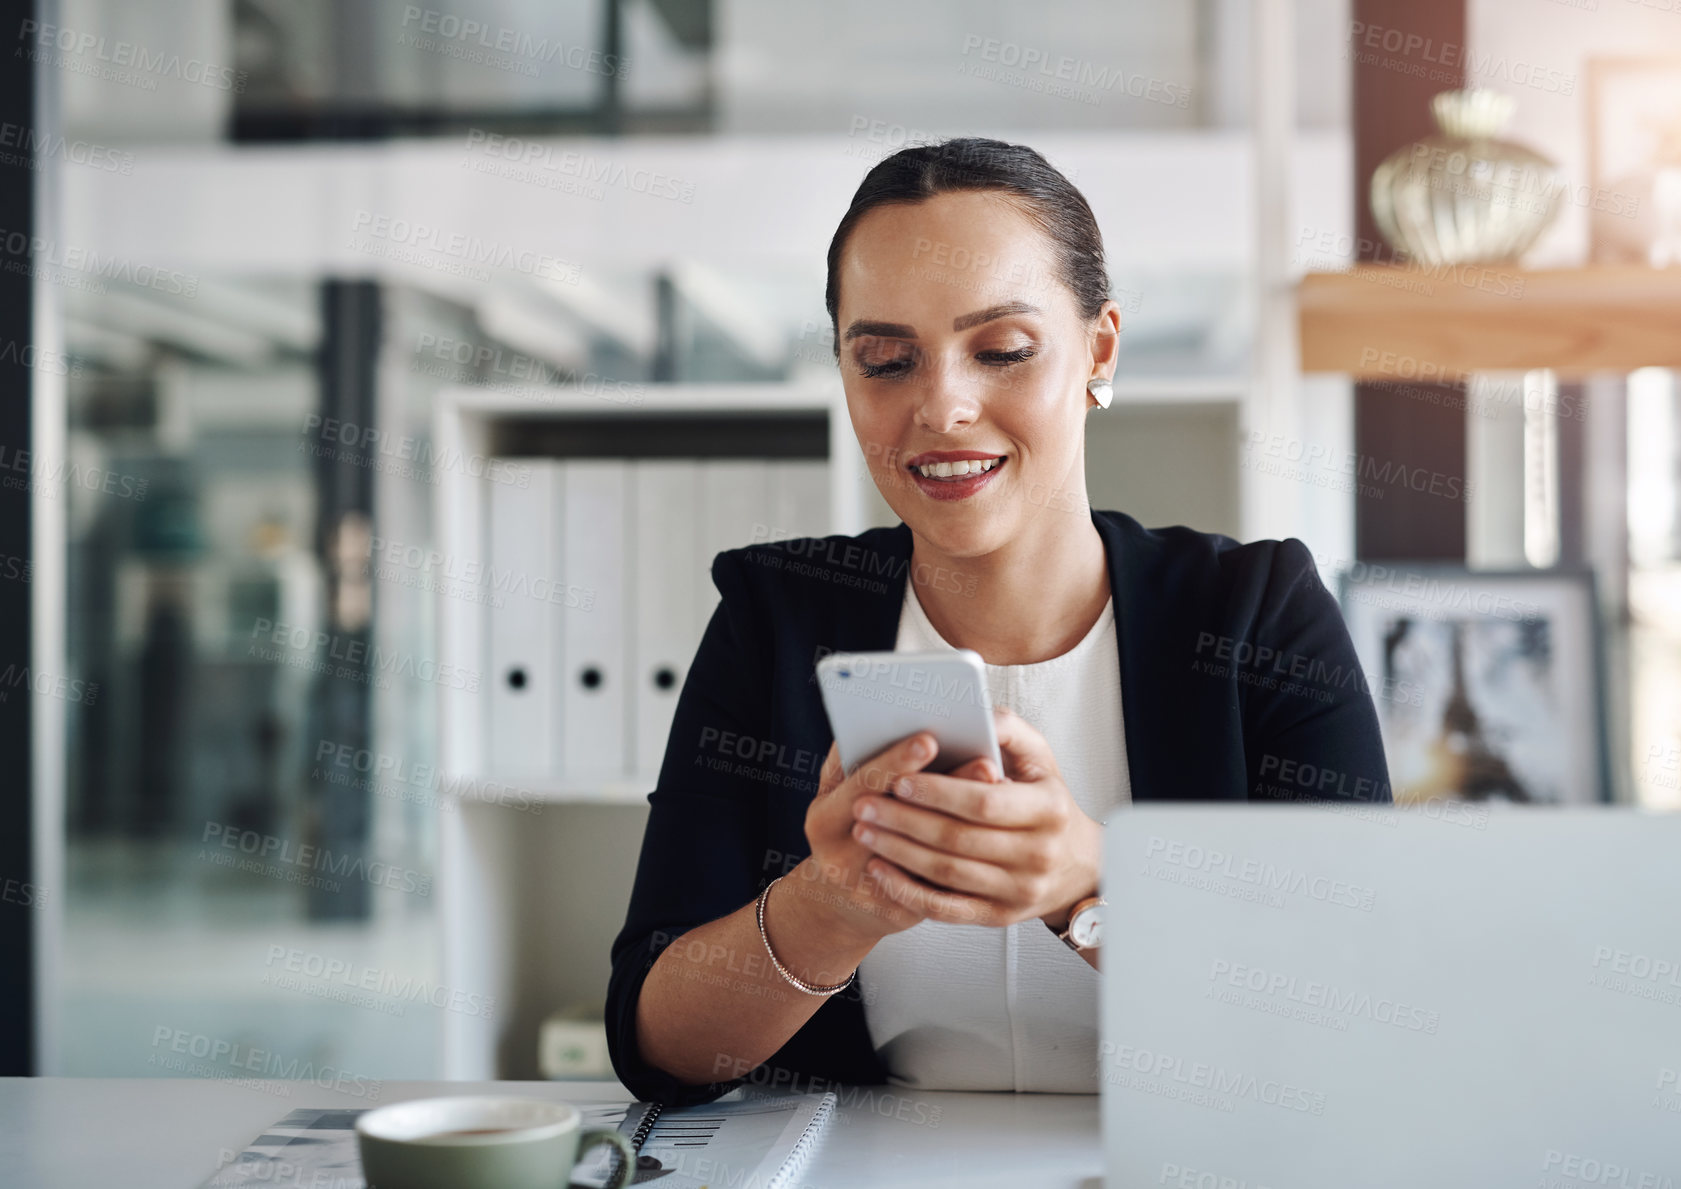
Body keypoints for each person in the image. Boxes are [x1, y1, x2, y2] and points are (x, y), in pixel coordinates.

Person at [605, 136, 1391, 1107]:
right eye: (886, 361)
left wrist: (1086, 884)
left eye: (1002, 351)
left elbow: (1355, 1016)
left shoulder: (1257, 616)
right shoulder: (776, 619)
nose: (941, 405)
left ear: (1099, 349)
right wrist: (830, 905)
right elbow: (656, 1045)